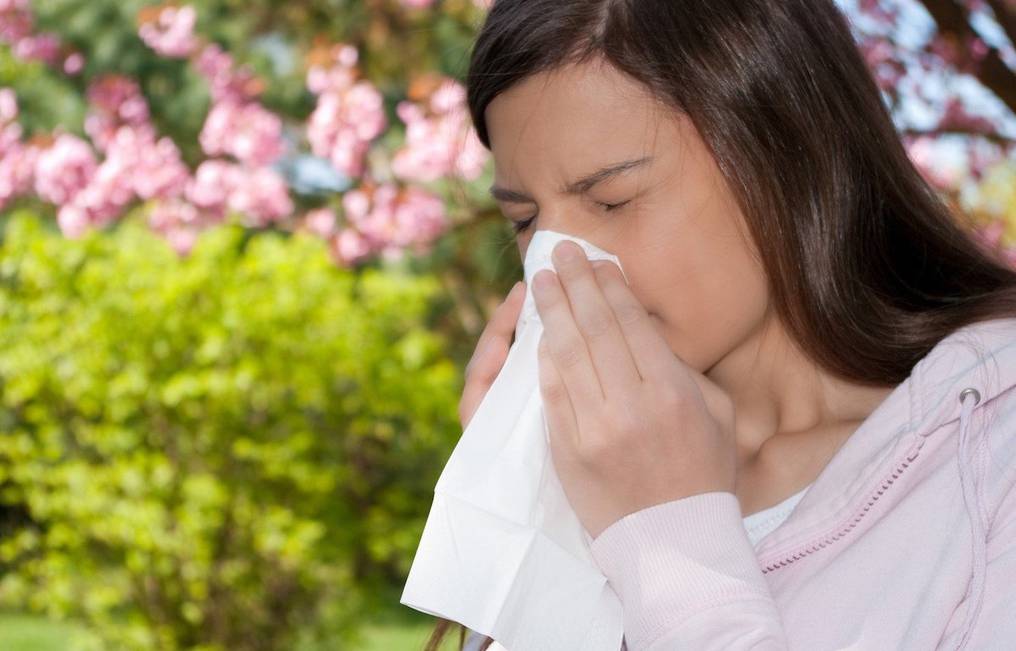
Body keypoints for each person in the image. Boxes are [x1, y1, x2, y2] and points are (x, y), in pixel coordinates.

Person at [422, 0, 1016, 649]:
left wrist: (669, 544)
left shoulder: (988, 458)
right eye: (527, 219)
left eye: (611, 199)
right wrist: (540, 516)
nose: (554, 269)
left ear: (785, 153)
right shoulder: (583, 467)